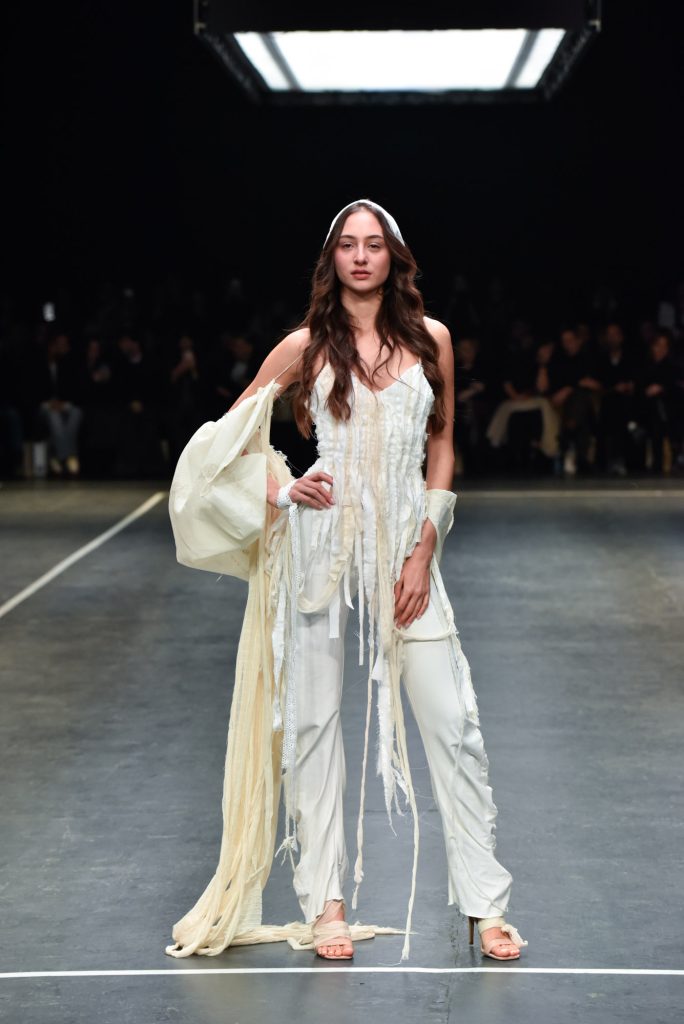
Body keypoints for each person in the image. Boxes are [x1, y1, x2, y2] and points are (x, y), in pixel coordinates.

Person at [166, 199, 527, 964]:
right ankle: (325, 904)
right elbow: (223, 441)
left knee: (452, 722)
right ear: (332, 259)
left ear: (394, 257)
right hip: (322, 542)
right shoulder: (305, 346)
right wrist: (281, 489)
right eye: (348, 245)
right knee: (313, 726)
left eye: (374, 245)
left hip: (404, 545)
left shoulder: (432, 339)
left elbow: (442, 447)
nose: (361, 256)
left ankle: (486, 906)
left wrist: (426, 547)